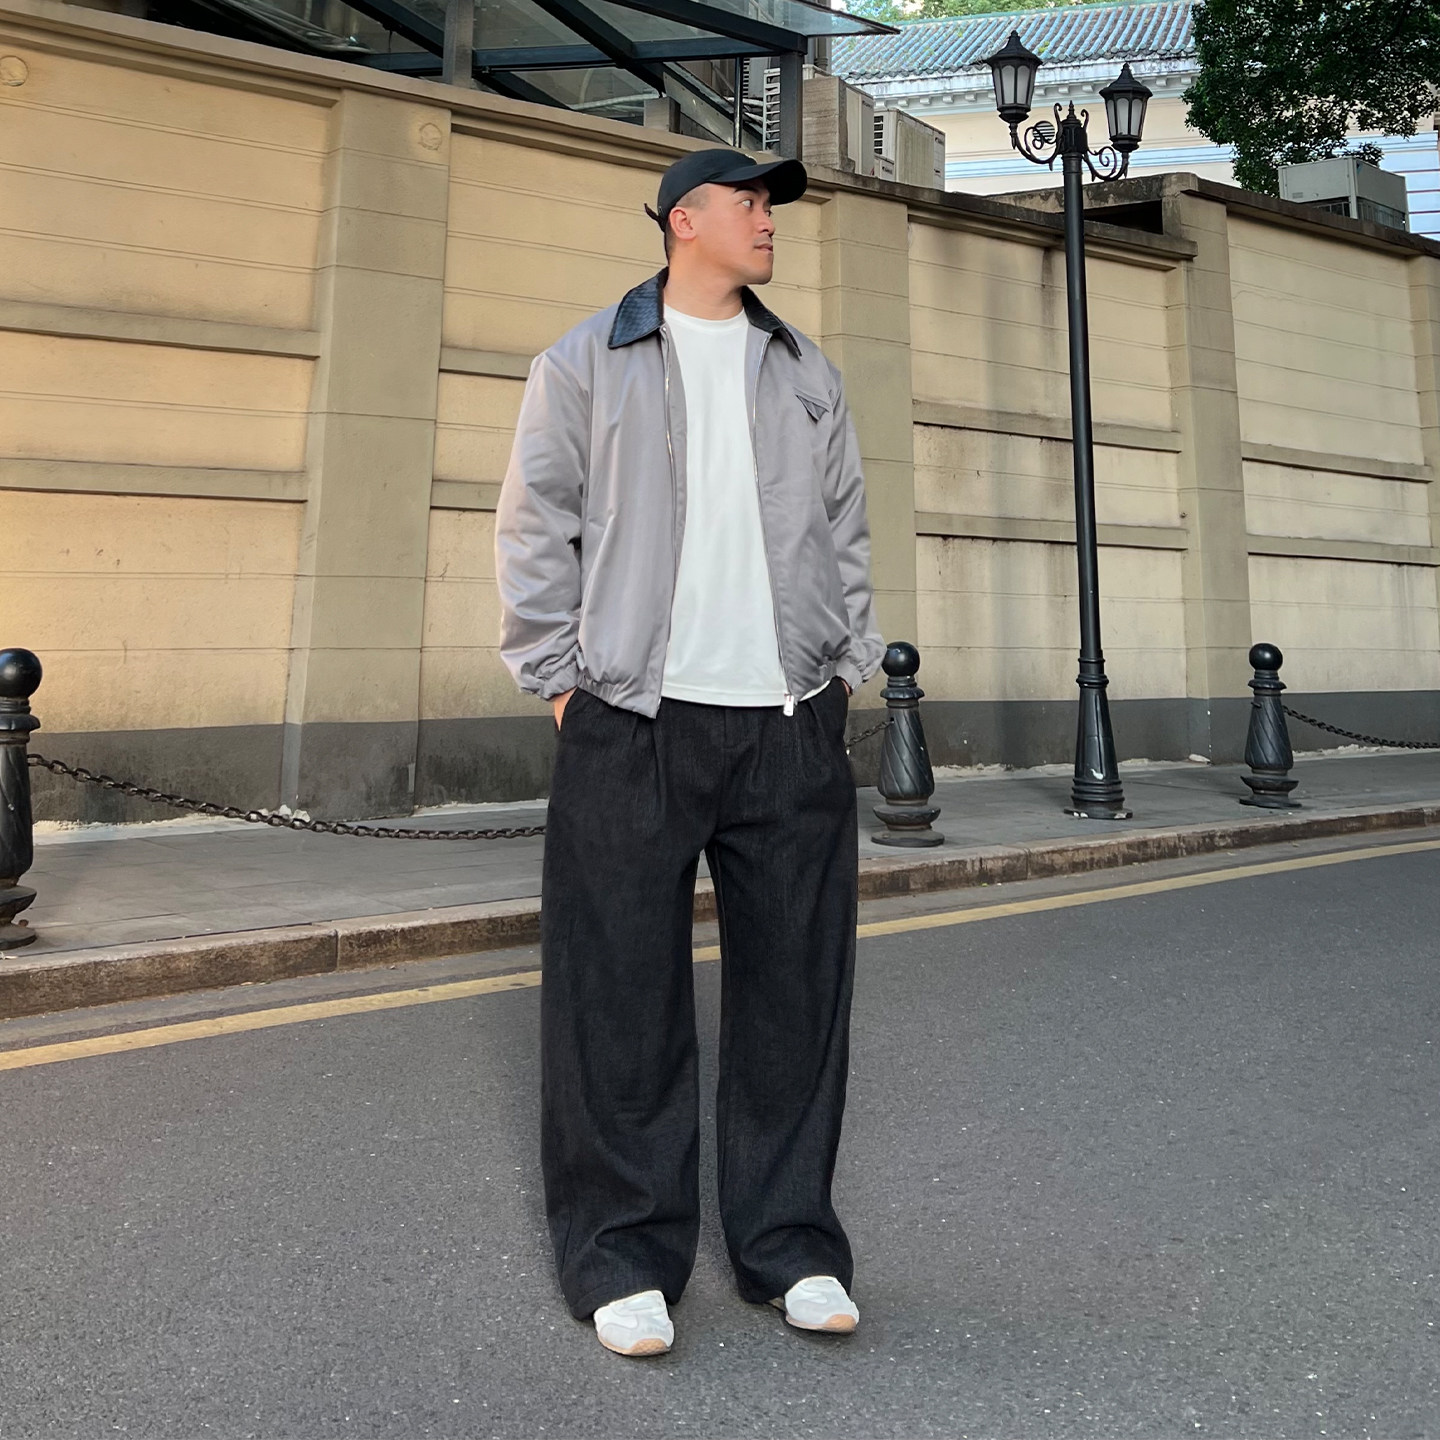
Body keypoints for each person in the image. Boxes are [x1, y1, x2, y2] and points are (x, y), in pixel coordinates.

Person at [495, 147, 885, 1358]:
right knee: (619, 997)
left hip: (790, 718)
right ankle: (623, 1255)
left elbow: (845, 528)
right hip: (634, 717)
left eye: (771, 205)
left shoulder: (803, 368)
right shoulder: (585, 360)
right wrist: (562, 683)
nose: (768, 220)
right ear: (684, 220)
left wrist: (843, 668)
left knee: (796, 995)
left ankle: (792, 1247)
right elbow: (535, 524)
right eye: (749, 202)